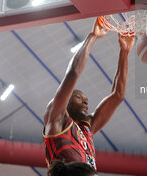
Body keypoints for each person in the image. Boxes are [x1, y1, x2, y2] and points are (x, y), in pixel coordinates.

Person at [43, 19, 134, 171]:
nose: (85, 102)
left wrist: (124, 52)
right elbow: (73, 73)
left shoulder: (87, 128)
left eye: (86, 100)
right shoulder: (57, 119)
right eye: (79, 98)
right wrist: (93, 36)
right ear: (67, 100)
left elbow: (118, 95)